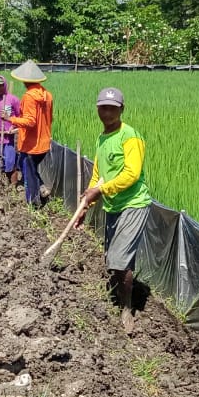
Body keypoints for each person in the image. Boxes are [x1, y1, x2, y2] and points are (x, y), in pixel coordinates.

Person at [79, 86, 152, 335]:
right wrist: (86, 204)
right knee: (113, 259)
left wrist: (99, 192)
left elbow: (131, 174)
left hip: (133, 204)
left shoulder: (130, 137)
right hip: (114, 205)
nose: (107, 112)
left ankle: (126, 309)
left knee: (119, 261)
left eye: (112, 108)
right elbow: (98, 176)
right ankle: (120, 293)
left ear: (121, 109)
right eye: (103, 108)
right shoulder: (102, 138)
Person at [5, 59, 53, 207]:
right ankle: (42, 188)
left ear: (25, 80)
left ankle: (34, 204)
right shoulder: (48, 95)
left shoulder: (29, 97)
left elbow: (31, 121)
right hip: (44, 142)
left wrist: (10, 119)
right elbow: (49, 119)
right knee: (27, 167)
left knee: (28, 174)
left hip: (31, 145)